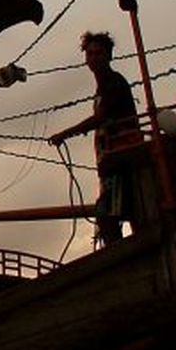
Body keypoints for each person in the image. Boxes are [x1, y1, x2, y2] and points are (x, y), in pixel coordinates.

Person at [48, 31, 140, 244]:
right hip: (110, 160)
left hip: (121, 158)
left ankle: (121, 255)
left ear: (109, 56)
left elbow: (101, 117)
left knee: (108, 213)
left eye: (99, 53)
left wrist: (65, 133)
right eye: (90, 54)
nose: (94, 57)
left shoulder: (114, 83)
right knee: (120, 211)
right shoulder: (103, 85)